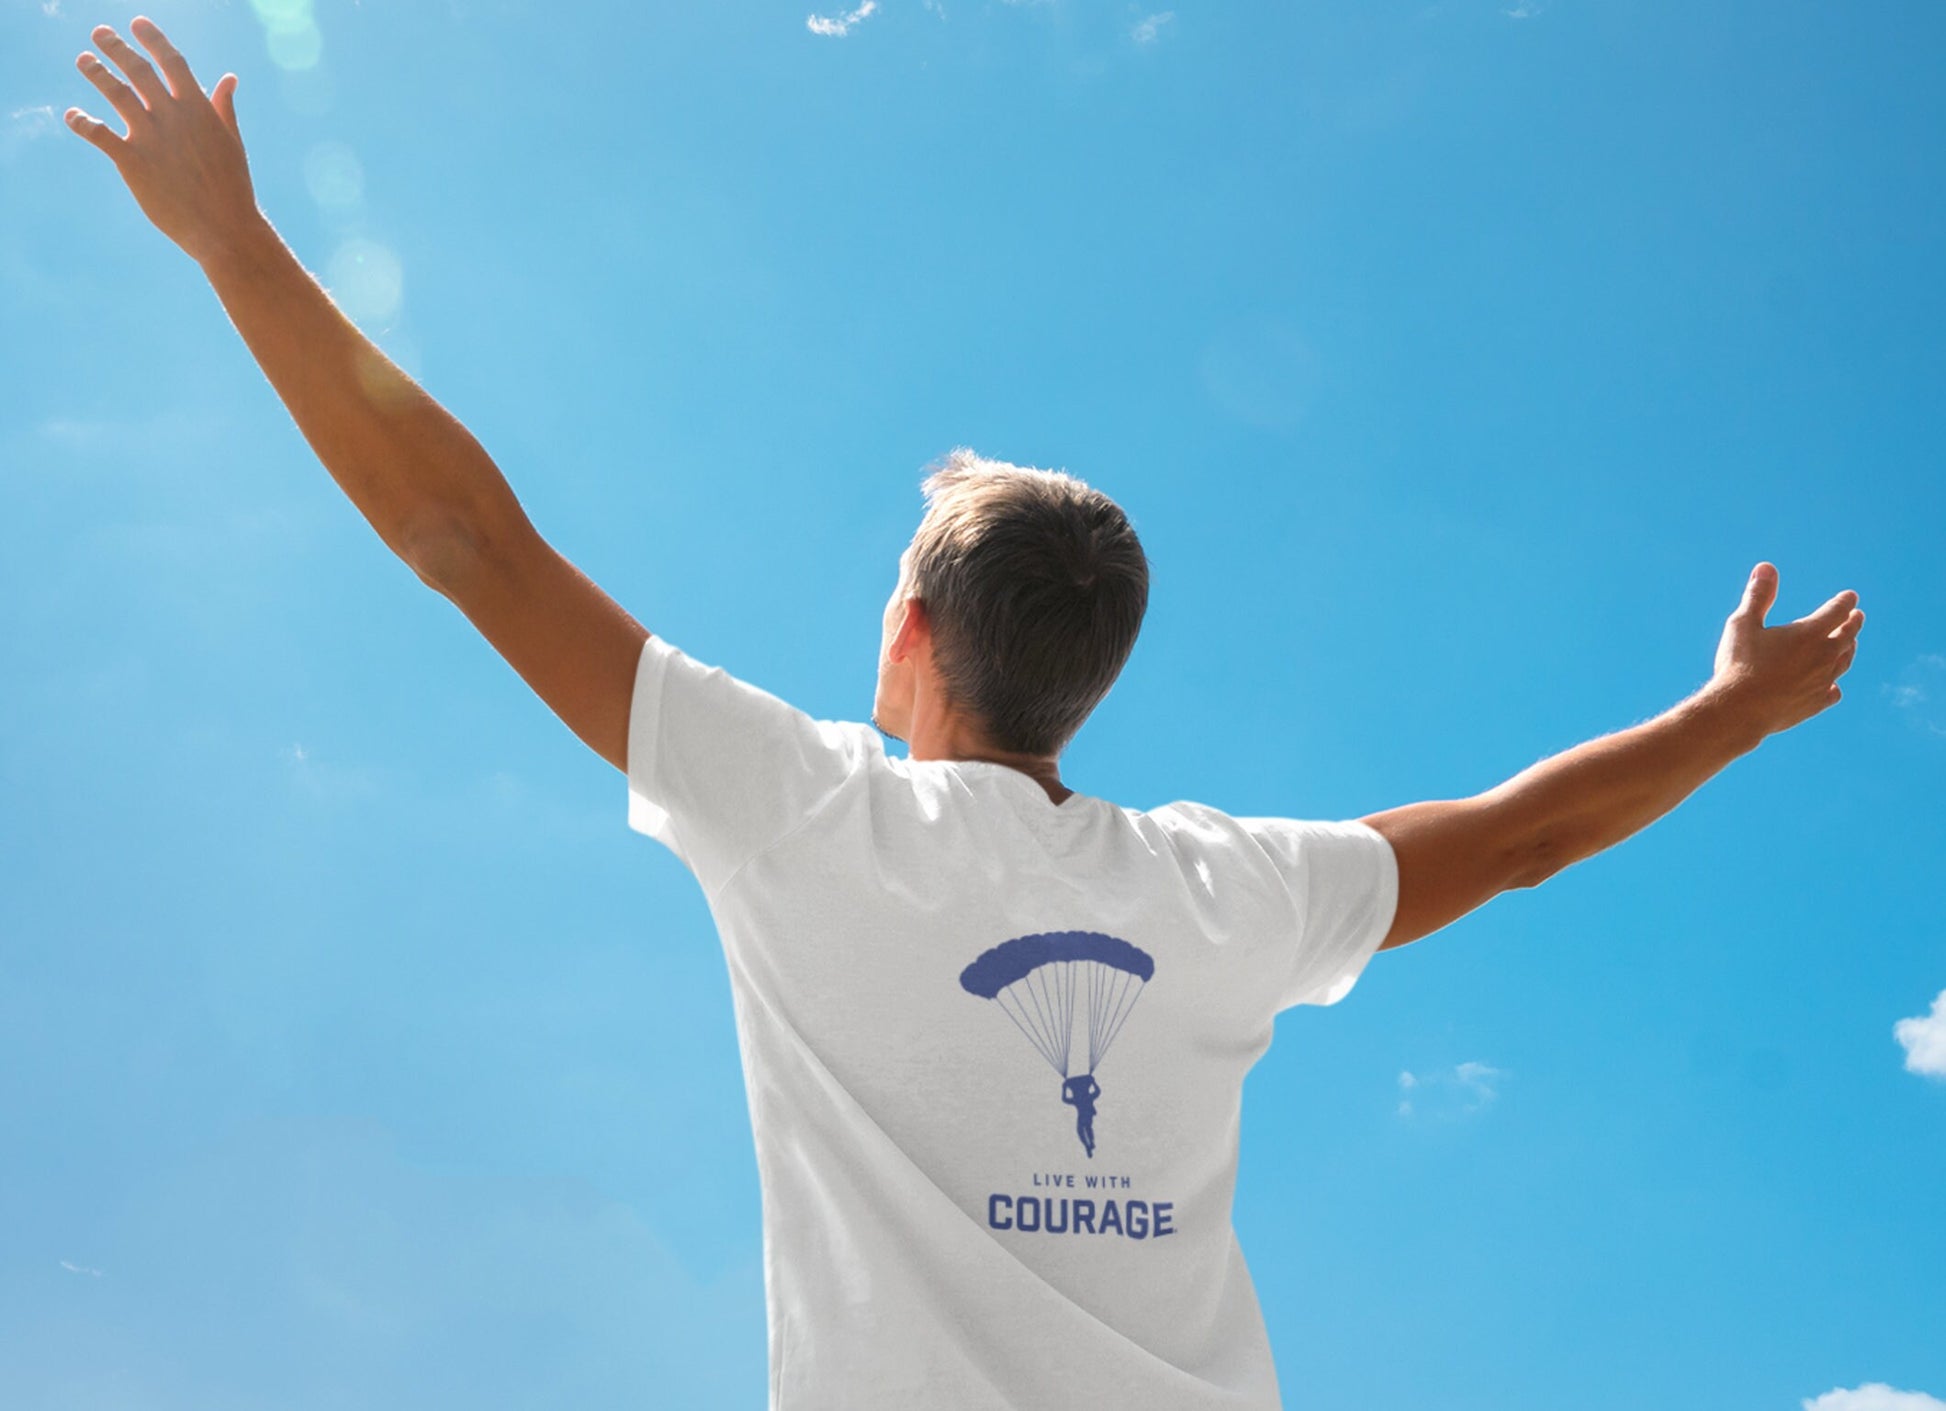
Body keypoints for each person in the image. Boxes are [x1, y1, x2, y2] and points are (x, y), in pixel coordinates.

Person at [63, 19, 1866, 1410]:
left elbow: (466, 541)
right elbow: (1530, 837)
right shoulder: (1225, 894)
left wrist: (231, 245)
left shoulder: (803, 815)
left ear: (910, 630)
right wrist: (1733, 709)